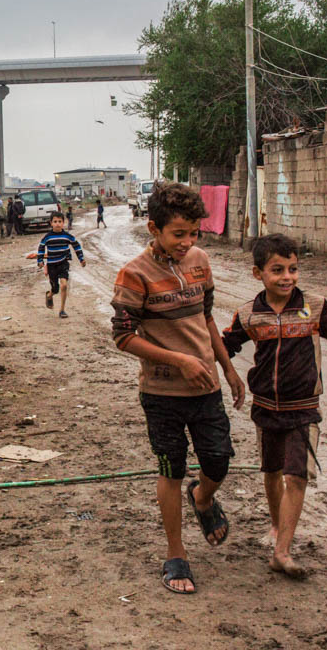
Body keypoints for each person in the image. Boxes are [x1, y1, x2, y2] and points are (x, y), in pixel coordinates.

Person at [110, 182, 245, 595]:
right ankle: (176, 552)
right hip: (162, 393)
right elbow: (122, 337)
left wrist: (228, 369)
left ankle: (202, 499)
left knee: (218, 462)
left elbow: (206, 319)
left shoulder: (200, 262)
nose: (188, 242)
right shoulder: (134, 274)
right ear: (154, 228)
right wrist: (180, 360)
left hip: (206, 390)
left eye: (194, 233)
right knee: (171, 468)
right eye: (178, 234)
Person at [221, 233, 327, 579]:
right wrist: (228, 375)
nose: (287, 277)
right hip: (265, 407)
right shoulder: (249, 314)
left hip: (304, 407)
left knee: (297, 475)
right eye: (277, 270)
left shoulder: (315, 306)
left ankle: (282, 551)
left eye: (293, 269)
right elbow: (223, 345)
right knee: (272, 472)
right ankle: (277, 528)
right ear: (258, 273)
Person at [37, 212, 85, 319]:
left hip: (63, 264)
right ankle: (49, 295)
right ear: (51, 223)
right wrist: (40, 261)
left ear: (63, 223)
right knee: (56, 289)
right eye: (55, 222)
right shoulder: (47, 237)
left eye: (60, 221)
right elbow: (41, 248)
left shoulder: (67, 236)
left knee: (64, 285)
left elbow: (76, 246)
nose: (57, 224)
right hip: (52, 266)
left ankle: (62, 310)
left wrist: (81, 259)